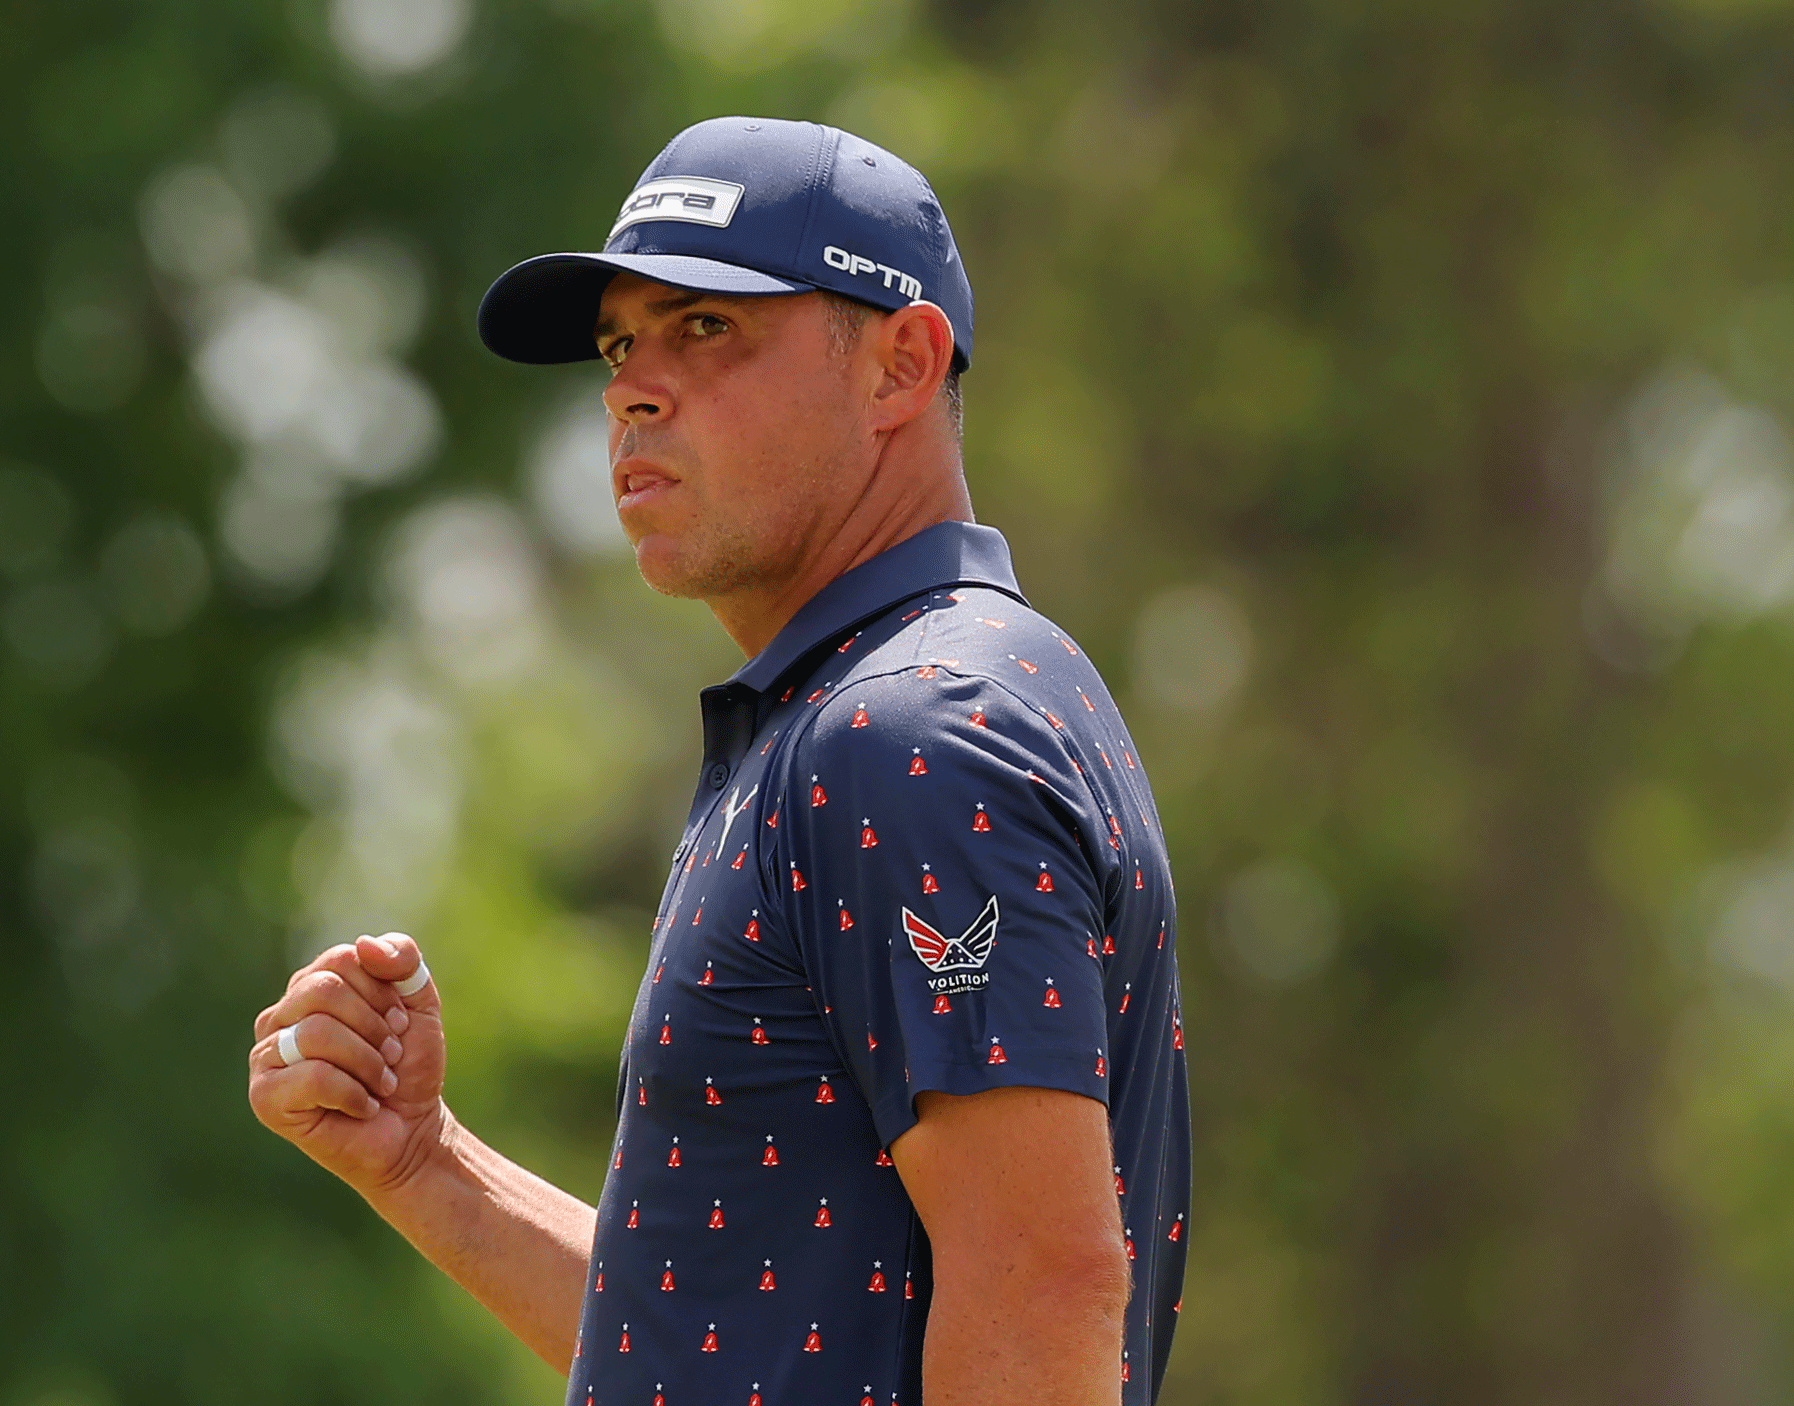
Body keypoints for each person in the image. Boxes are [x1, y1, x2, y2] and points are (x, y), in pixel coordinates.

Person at [247, 116, 1190, 1405]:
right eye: (621, 341)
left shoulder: (909, 729)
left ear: (900, 368)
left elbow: (1043, 1284)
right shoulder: (868, 714)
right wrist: (427, 1166)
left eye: (705, 327)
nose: (630, 386)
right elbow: (712, 1348)